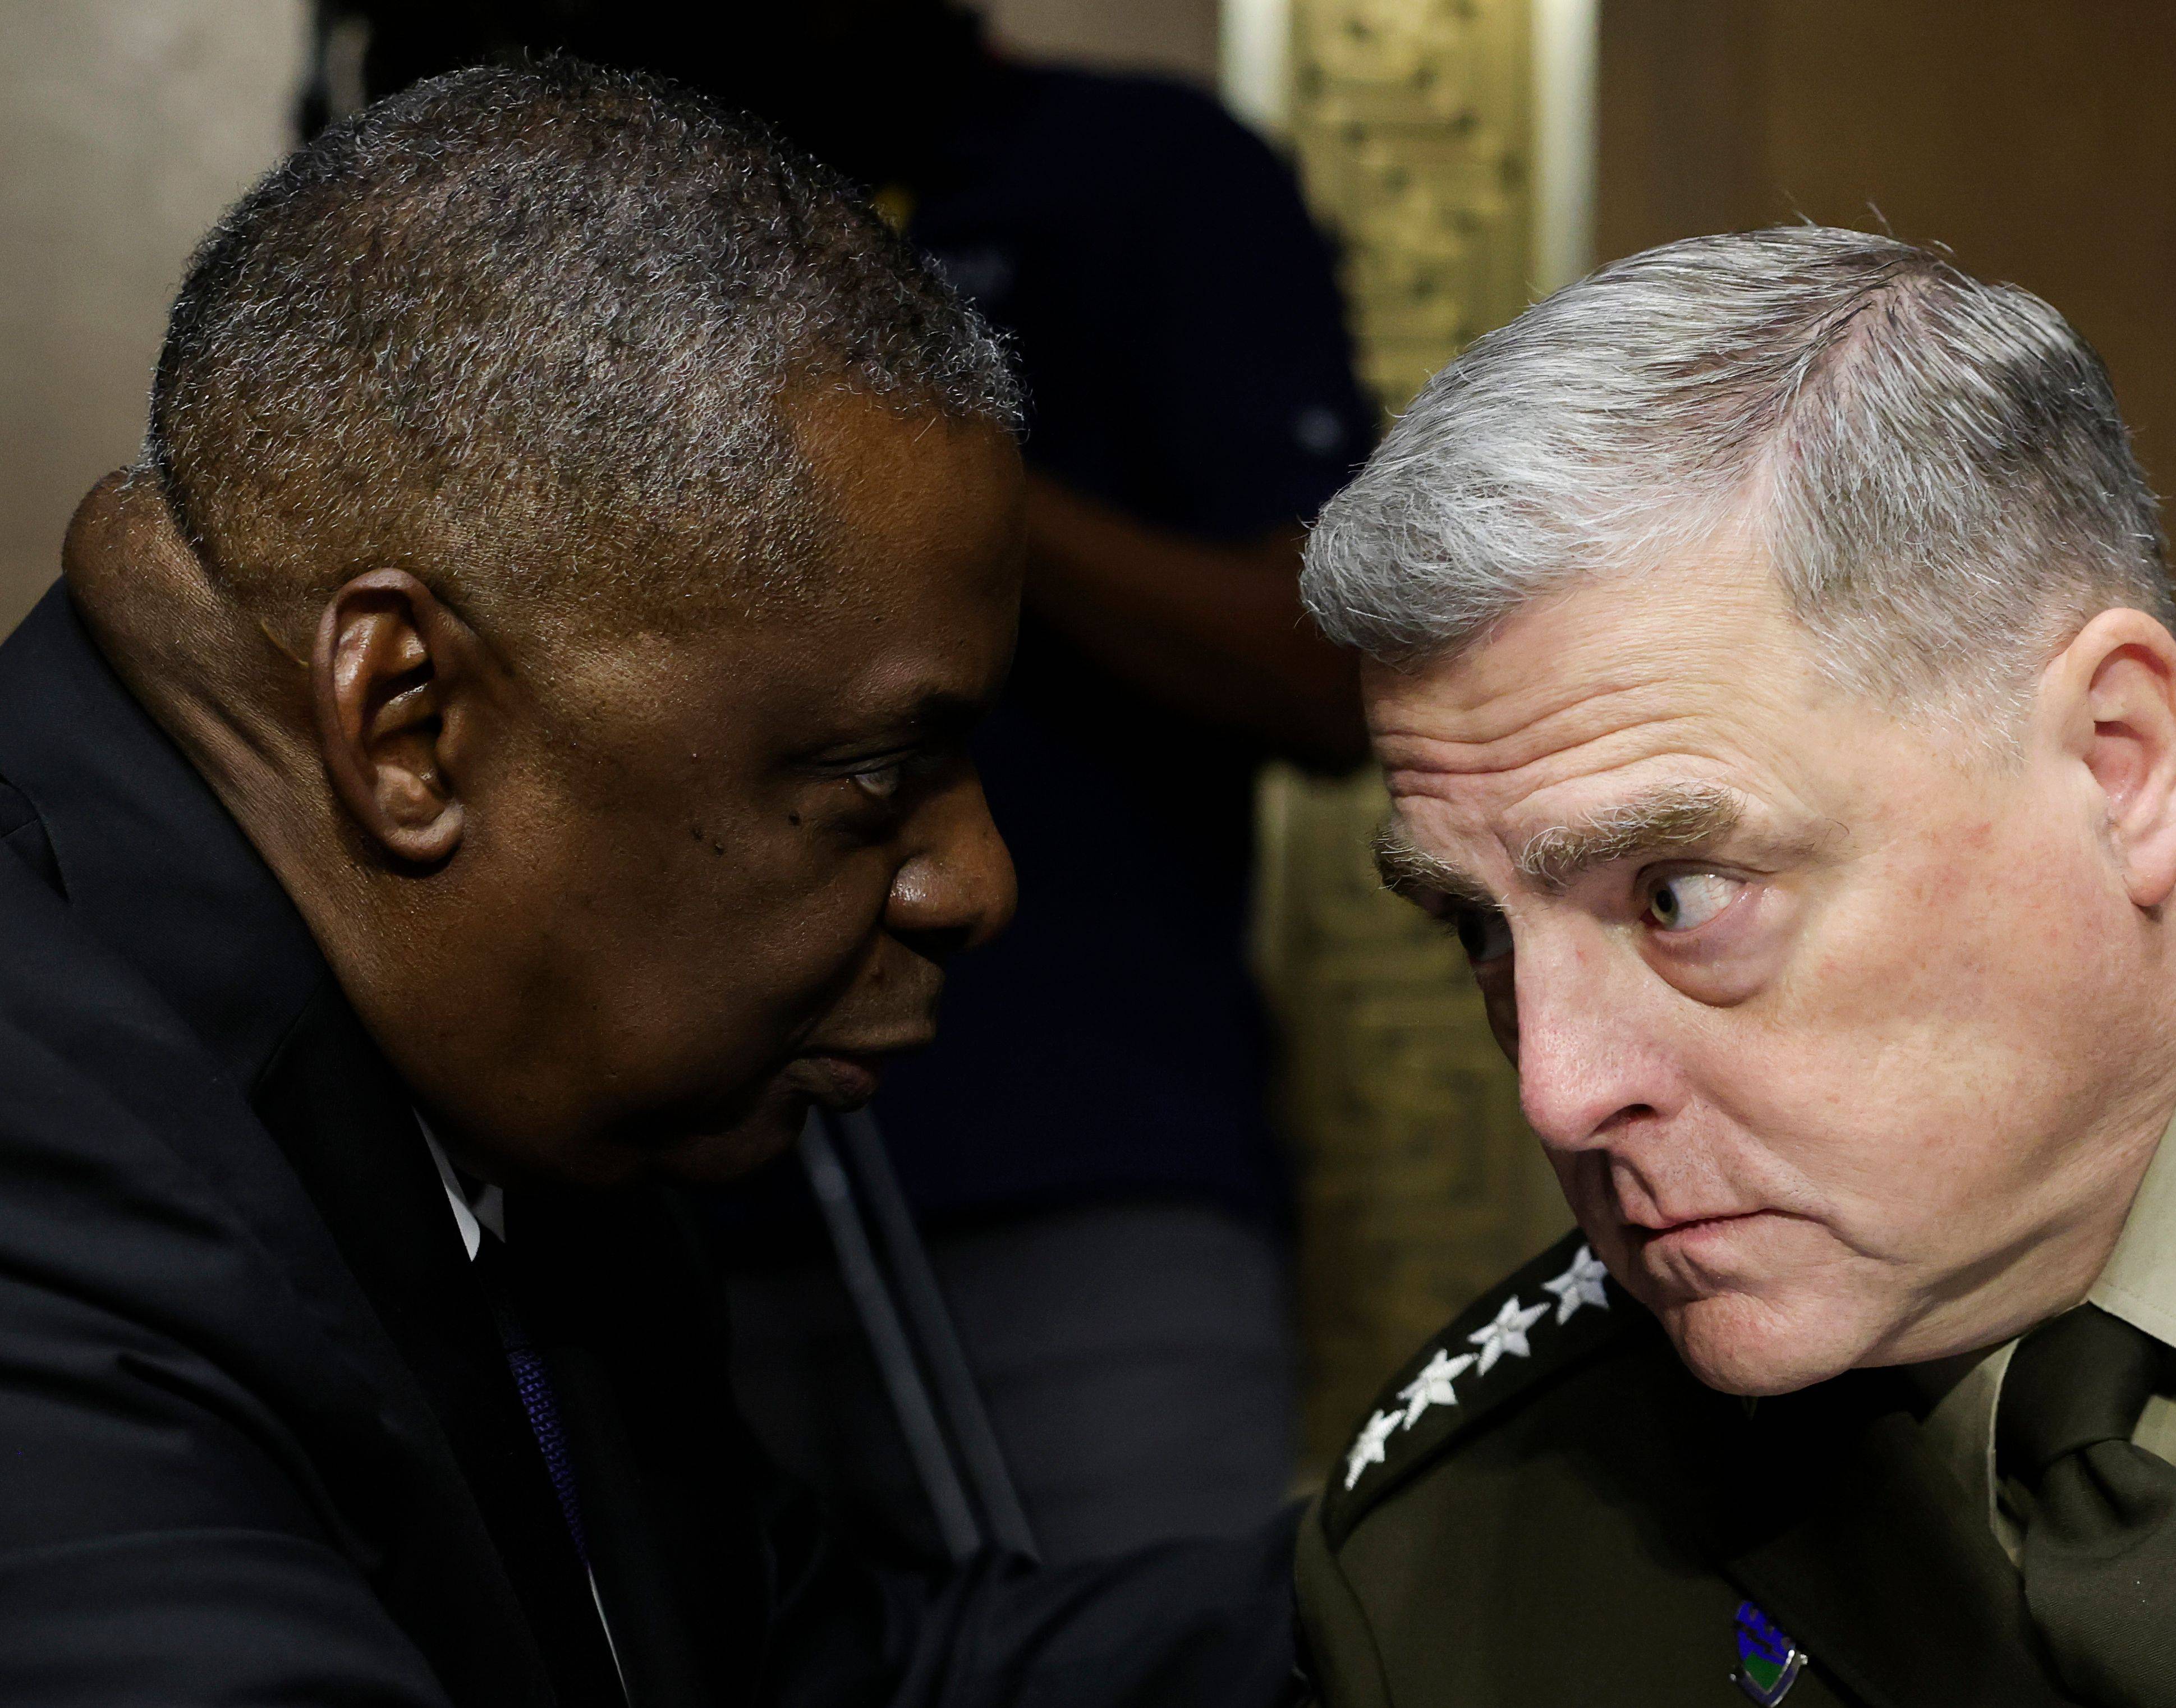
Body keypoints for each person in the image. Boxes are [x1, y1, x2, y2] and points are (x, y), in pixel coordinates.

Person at [0, 60, 1301, 1705]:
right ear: (410, 725)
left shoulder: (530, 1102)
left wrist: (1448, 1569)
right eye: (872, 771)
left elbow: (826, 1680)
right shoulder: (41, 1143)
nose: (974, 884)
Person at [1286, 227, 2176, 1706]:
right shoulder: (1456, 1571)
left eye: (1679, 894)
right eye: (1480, 930)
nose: (1557, 1091)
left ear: (2116, 764)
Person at [349, 0, 1378, 1561]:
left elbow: (1328, 663)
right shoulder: (587, 210)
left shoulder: (1137, 171)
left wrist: (901, 474)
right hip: (640, 1186)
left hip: (1072, 1169)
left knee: (1143, 1643)